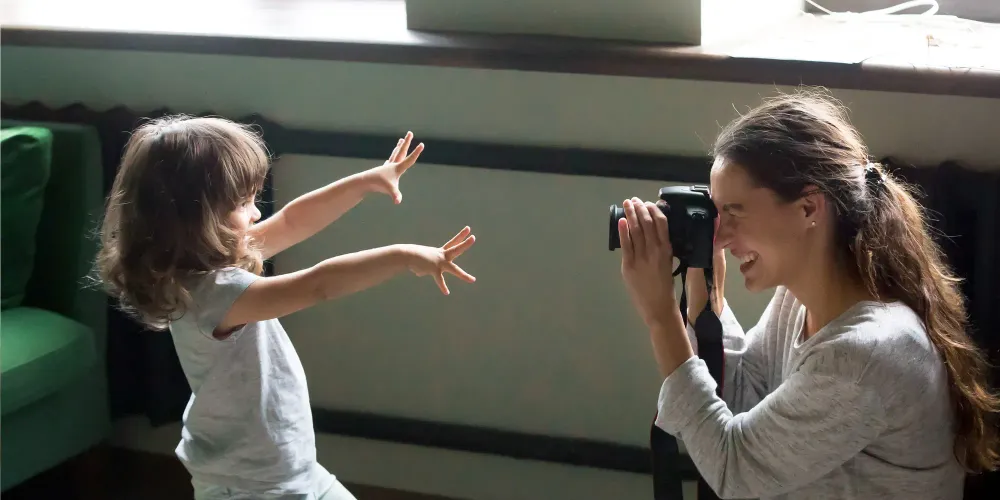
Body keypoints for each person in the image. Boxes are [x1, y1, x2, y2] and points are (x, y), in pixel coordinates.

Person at [617, 90, 1000, 499]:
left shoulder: (866, 354)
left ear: (808, 209)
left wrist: (661, 317)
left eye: (736, 211)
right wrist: (703, 286)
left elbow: (734, 469)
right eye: (716, 213)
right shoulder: (798, 301)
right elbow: (744, 399)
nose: (721, 236)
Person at [95, 117, 477, 500]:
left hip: (284, 467)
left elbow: (293, 220)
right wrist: (401, 256)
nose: (256, 213)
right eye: (242, 203)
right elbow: (318, 285)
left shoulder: (203, 269)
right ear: (197, 218)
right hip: (252, 485)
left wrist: (366, 182)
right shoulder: (215, 293)